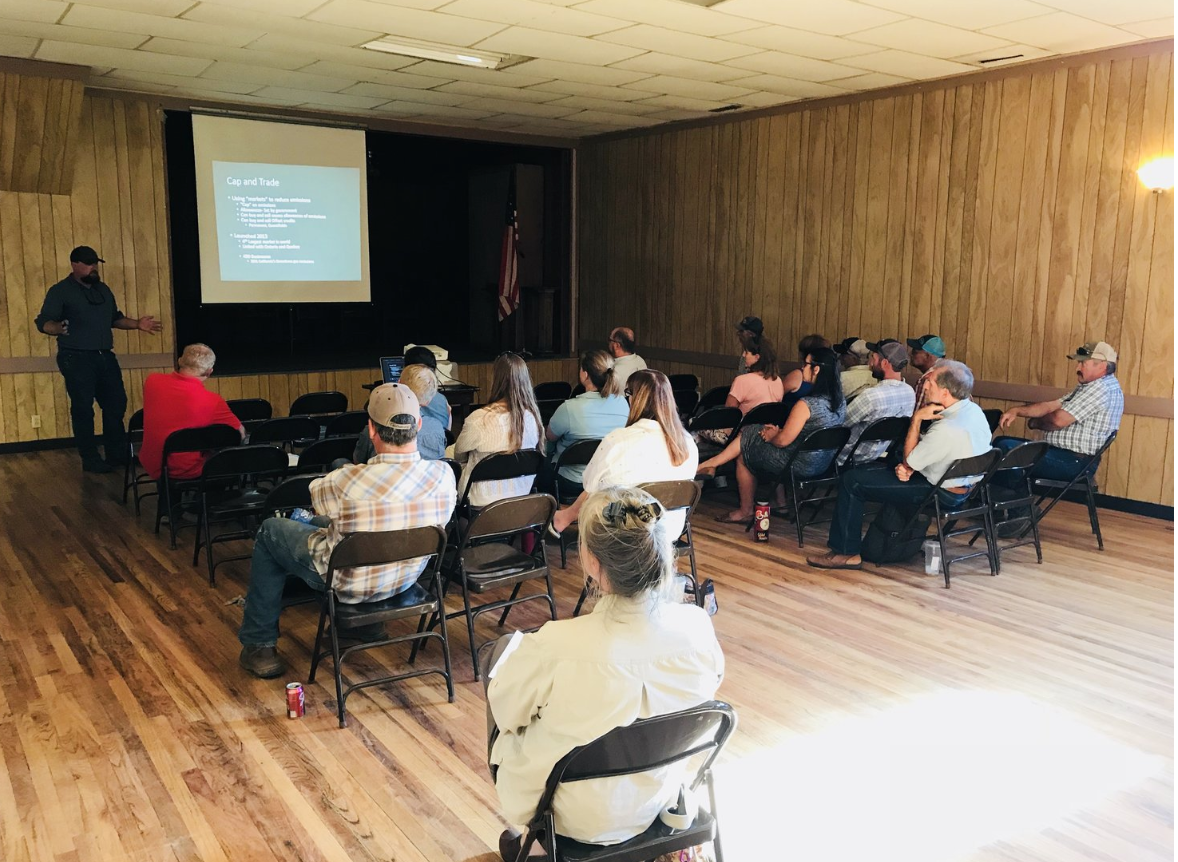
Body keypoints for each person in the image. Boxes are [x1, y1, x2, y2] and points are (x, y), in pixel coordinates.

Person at [487, 485, 724, 855]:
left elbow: (506, 713)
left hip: (572, 816)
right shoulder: (697, 627)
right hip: (655, 798)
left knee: (502, 675)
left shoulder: (555, 646)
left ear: (594, 563)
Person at [238, 383, 456, 678]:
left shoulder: (347, 481)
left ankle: (259, 644)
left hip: (347, 583)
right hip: (405, 578)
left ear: (371, 430)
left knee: (270, 531)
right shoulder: (444, 476)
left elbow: (316, 497)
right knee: (346, 531)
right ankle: (366, 626)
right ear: (418, 424)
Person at [807, 360, 991, 570]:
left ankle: (846, 553)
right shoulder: (974, 412)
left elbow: (909, 459)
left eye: (930, 382)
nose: (926, 386)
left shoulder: (947, 429)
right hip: (964, 488)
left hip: (940, 492)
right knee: (893, 463)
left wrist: (917, 419)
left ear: (945, 392)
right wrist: (908, 467)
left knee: (852, 481)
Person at [35, 245, 163, 473]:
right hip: (75, 357)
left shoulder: (103, 290)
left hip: (104, 355)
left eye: (95, 263)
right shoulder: (61, 291)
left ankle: (116, 454)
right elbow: (44, 322)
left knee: (116, 403)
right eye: (88, 263)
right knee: (83, 408)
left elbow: (115, 318)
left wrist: (137, 324)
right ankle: (90, 458)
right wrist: (56, 328)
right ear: (75, 265)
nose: (93, 267)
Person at [699, 346, 846, 524]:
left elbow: (783, 442)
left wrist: (772, 436)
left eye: (805, 364)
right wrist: (777, 432)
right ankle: (713, 465)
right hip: (822, 463)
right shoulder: (839, 402)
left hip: (798, 463)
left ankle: (744, 508)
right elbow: (806, 434)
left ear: (817, 369)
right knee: (754, 432)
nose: (802, 368)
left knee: (745, 446)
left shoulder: (806, 405)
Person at [551, 370, 698, 540]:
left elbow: (591, 484)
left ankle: (564, 519)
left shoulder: (619, 439)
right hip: (670, 529)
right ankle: (565, 518)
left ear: (633, 398)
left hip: (626, 532)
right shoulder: (687, 442)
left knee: (597, 495)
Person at [993, 341, 1124, 482]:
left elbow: (1057, 420)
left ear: (1102, 365)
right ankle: (1011, 498)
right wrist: (1017, 411)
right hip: (1065, 455)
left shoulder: (1100, 388)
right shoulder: (1092, 386)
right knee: (1001, 443)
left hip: (1073, 462)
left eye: (1082, 363)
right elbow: (1051, 406)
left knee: (1005, 449)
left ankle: (1009, 500)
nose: (1077, 368)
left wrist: (1036, 422)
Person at [139, 344, 244, 481]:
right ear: (209, 371)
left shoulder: (152, 381)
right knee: (225, 457)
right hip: (186, 469)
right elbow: (239, 434)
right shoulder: (213, 401)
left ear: (179, 361)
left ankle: (168, 499)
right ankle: (206, 500)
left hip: (154, 462)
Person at [454, 352, 543, 507]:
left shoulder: (478, 419)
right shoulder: (533, 418)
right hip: (522, 492)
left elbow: (459, 455)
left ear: (495, 379)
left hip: (480, 499)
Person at [542, 349, 629, 498]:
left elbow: (549, 437)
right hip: (608, 480)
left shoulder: (569, 408)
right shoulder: (623, 404)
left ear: (585, 374)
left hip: (571, 482)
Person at [696, 333, 785, 447]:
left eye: (746, 352)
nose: (743, 355)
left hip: (739, 435)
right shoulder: (778, 381)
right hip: (765, 434)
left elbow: (728, 414)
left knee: (695, 424)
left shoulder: (742, 381)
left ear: (757, 357)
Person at [837, 341, 915, 467]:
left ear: (884, 363)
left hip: (848, 458)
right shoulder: (910, 393)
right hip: (879, 456)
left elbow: (840, 424)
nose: (870, 363)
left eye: (873, 358)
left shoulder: (871, 396)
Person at [354, 364, 447, 463]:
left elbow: (358, 461)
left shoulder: (376, 428)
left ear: (398, 384)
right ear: (428, 401)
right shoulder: (437, 427)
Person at [906, 334, 947, 408]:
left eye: (915, 352)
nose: (910, 354)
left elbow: (917, 416)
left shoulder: (927, 381)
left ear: (927, 356)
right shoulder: (956, 374)